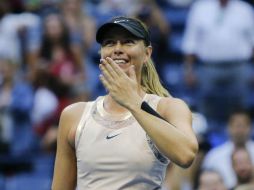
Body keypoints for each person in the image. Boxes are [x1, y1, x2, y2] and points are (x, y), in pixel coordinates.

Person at [51, 16, 198, 190]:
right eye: (110, 43)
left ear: (147, 53)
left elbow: (186, 155)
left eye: (128, 42)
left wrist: (133, 102)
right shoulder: (74, 115)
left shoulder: (168, 107)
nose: (118, 49)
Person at [182, 0, 254, 121]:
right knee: (205, 107)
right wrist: (188, 70)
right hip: (208, 67)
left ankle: (239, 137)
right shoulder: (200, 8)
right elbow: (190, 43)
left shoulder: (245, 9)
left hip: (239, 67)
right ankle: (205, 137)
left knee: (241, 107)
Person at [202, 109, 254, 189]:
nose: (240, 130)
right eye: (237, 126)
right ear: (228, 127)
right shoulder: (214, 156)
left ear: (250, 127)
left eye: (243, 125)